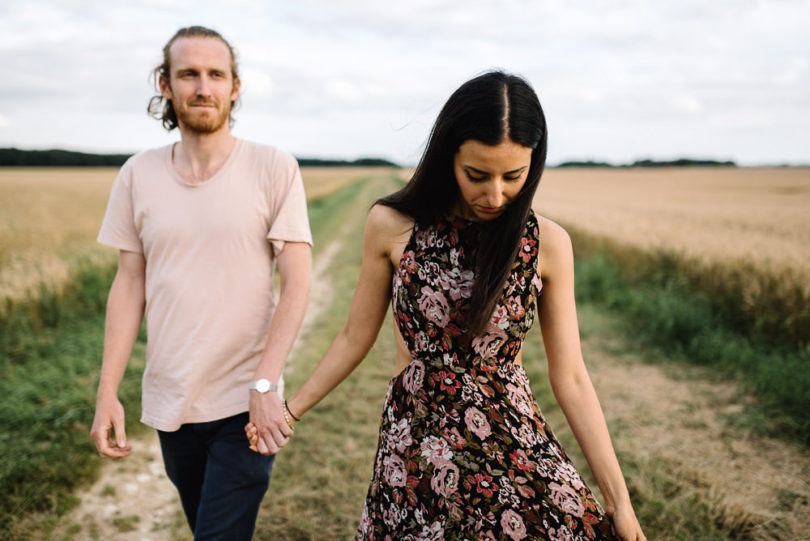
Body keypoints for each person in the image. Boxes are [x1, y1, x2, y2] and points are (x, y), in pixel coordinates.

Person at [249, 70, 645, 540]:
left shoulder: (546, 244)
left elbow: (573, 377)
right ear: (447, 157)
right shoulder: (392, 225)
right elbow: (355, 336)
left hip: (511, 445)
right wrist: (290, 411)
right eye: (477, 175)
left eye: (513, 176)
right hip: (416, 446)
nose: (495, 195)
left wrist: (620, 503)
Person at [89, 25, 312, 540]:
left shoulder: (273, 167)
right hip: (172, 404)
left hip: (246, 406)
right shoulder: (137, 174)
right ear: (165, 84)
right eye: (188, 73)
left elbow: (298, 283)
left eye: (216, 74)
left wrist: (265, 383)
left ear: (235, 87)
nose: (203, 87)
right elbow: (129, 285)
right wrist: (108, 392)